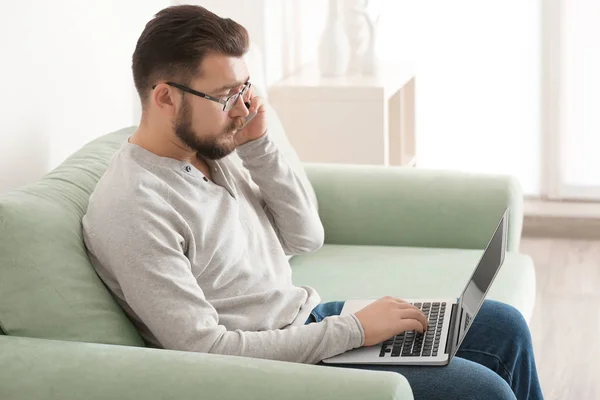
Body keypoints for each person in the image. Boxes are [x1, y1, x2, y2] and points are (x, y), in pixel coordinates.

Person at [82, 5, 543, 399]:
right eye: (226, 96)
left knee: (504, 325)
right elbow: (207, 351)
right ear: (164, 97)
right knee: (484, 391)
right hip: (280, 367)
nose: (243, 110)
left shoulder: (213, 150)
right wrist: (358, 330)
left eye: (245, 89)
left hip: (309, 322)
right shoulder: (133, 207)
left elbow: (306, 235)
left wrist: (259, 146)